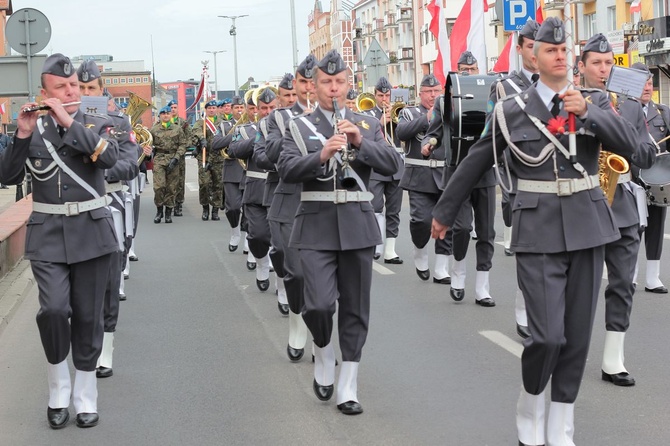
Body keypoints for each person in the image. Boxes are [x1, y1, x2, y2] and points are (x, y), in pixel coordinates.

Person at [431, 18, 640, 444]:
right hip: (537, 227)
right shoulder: (511, 109)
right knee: (546, 335)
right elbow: (475, 160)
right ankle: (530, 401)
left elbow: (632, 147)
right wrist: (446, 210)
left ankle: (561, 423)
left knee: (577, 337)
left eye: (565, 51)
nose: (560, 56)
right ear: (535, 56)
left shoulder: (594, 102)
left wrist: (592, 113)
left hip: (587, 224)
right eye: (551, 51)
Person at [278, 49, 402, 415]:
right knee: (317, 304)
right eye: (326, 82)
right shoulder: (298, 128)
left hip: (357, 224)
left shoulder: (367, 124)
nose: (334, 88)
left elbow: (394, 165)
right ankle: (323, 348)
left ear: (350, 84)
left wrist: (360, 143)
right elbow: (285, 169)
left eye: (339, 82)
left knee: (356, 306)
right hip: (315, 224)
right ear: (313, 87)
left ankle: (348, 381)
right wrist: (319, 155)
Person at [0, 53, 120, 429]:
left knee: (88, 316)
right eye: (60, 88)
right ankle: (57, 388)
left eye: (73, 86)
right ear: (43, 92)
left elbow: (109, 159)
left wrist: (69, 121)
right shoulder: (30, 129)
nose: (70, 92)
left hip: (92, 234)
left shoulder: (97, 124)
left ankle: (85, 395)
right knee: (53, 310)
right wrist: (20, 134)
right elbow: (8, 174)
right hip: (49, 236)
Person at [579, 35, 656, 387]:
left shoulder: (628, 106)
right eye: (596, 63)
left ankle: (613, 360)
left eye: (609, 63)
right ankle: (568, 351)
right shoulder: (573, 102)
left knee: (623, 283)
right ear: (581, 66)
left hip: (623, 203)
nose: (603, 69)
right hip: (584, 204)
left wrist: (626, 131)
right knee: (581, 286)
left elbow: (644, 154)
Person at [77, 59, 140, 378]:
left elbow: (131, 164)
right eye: (82, 87)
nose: (86, 93)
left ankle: (106, 348)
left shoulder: (119, 123)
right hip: (76, 209)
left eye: (92, 88)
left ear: (101, 91)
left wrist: (98, 166)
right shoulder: (67, 122)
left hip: (110, 201)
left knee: (109, 280)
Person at [425, 50, 497, 307]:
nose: (468, 72)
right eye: (463, 69)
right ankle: (458, 273)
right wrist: (430, 142)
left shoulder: (493, 94)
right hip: (456, 170)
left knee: (487, 231)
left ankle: (482, 287)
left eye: (472, 68)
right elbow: (434, 131)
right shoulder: (445, 100)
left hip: (485, 173)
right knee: (463, 227)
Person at [489, 19, 540, 337]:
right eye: (531, 47)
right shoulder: (505, 87)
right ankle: (523, 311)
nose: (537, 54)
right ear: (519, 49)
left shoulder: (563, 85)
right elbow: (490, 136)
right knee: (530, 254)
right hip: (520, 179)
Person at [265, 55, 317, 358]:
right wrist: (298, 125)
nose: (309, 87)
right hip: (289, 202)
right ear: (295, 86)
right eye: (303, 82)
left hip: (325, 204)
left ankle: (317, 332)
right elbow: (271, 152)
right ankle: (297, 320)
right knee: (294, 272)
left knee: (320, 277)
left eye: (314, 81)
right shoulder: (279, 118)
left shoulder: (339, 115)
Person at [396, 74, 451, 284]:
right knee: (421, 220)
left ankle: (441, 268)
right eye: (428, 92)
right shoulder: (409, 112)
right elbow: (401, 132)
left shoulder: (450, 111)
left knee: (447, 222)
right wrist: (426, 118)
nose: (433, 95)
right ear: (420, 94)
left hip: (445, 175)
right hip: (419, 176)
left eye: (437, 91)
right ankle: (419, 250)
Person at [254, 73, 299, 314]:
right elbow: (261, 155)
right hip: (278, 187)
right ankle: (282, 286)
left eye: (294, 94)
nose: (291, 99)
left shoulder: (314, 116)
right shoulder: (269, 123)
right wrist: (285, 160)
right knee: (281, 247)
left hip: (308, 190)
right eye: (287, 95)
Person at [631, 61, 670, 294]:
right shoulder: (622, 110)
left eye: (649, 82)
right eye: (642, 83)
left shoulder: (663, 112)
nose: (647, 87)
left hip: (656, 182)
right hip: (632, 179)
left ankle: (653, 277)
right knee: (632, 228)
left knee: (656, 226)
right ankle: (631, 274)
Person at [366, 77, 404, 264]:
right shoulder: (368, 115)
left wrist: (396, 120)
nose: (384, 99)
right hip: (376, 167)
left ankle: (390, 250)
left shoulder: (400, 112)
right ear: (375, 96)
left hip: (396, 166)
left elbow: (405, 136)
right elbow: (365, 141)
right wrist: (380, 122)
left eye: (387, 95)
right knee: (375, 207)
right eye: (381, 95)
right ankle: (376, 244)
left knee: (394, 209)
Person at [150, 106, 188, 223]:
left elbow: (183, 144)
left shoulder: (177, 129)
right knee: (159, 186)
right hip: (159, 159)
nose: (166, 115)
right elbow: (150, 145)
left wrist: (176, 158)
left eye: (167, 113)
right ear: (160, 116)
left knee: (172, 187)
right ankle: (159, 210)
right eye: (163, 113)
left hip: (173, 159)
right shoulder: (154, 130)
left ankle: (168, 213)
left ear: (171, 115)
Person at [193, 99, 224, 221]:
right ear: (206, 110)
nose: (211, 110)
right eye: (209, 108)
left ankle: (215, 210)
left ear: (216, 109)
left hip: (218, 158)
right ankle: (205, 208)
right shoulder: (201, 122)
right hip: (204, 158)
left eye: (214, 108)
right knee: (204, 184)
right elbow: (195, 131)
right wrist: (201, 139)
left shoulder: (222, 122)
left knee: (218, 184)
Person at [169, 100, 190, 217]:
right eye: (171, 107)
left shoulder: (183, 122)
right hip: (167, 156)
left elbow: (189, 138)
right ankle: (169, 203)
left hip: (180, 157)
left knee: (180, 182)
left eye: (175, 107)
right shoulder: (162, 122)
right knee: (169, 182)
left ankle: (178, 204)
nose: (173, 109)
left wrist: (182, 149)